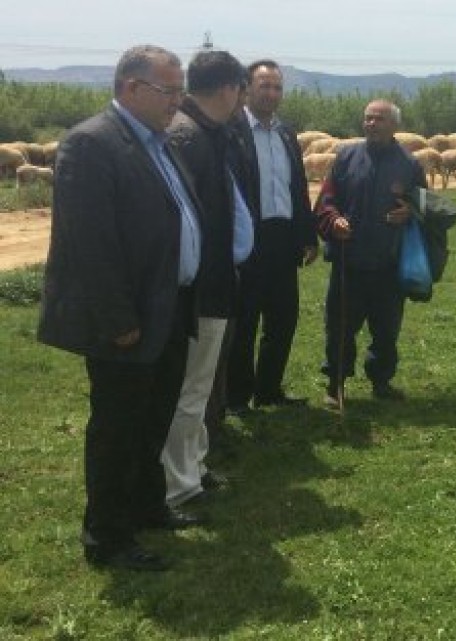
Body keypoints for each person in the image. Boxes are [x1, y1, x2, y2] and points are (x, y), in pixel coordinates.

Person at [38, 45, 205, 572]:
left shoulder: (159, 140)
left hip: (170, 307)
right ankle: (107, 536)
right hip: (129, 318)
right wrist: (119, 320)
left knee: (154, 417)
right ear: (132, 88)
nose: (178, 101)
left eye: (179, 90)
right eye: (169, 91)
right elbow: (88, 244)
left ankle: (146, 506)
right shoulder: (92, 144)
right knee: (117, 427)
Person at [160, 49, 252, 509]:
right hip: (200, 289)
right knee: (191, 387)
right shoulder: (188, 137)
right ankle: (178, 484)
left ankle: (194, 464)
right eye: (241, 90)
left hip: (215, 281)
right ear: (229, 89)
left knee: (201, 383)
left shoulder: (205, 133)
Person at [314, 99, 426, 406]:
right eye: (367, 119)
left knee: (386, 327)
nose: (371, 124)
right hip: (348, 260)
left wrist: (410, 213)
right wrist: (333, 220)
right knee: (340, 326)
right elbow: (325, 201)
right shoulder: (346, 157)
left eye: (379, 119)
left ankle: (381, 381)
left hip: (389, 261)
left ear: (395, 126)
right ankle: (335, 385)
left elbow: (425, 206)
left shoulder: (410, 164)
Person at [226, 59, 317, 413]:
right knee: (245, 322)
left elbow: (298, 188)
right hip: (249, 237)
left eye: (277, 87)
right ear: (246, 89)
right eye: (264, 86)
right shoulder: (232, 131)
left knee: (283, 319)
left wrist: (308, 235)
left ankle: (269, 389)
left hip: (283, 238)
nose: (271, 93)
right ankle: (237, 397)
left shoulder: (285, 133)